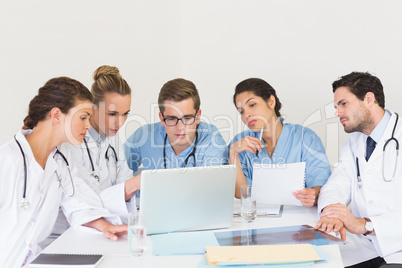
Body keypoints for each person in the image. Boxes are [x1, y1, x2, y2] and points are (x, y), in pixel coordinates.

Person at [0, 77, 127, 267]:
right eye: (83, 117)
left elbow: (78, 202)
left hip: (34, 261)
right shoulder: (8, 160)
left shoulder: (62, 159)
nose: (88, 125)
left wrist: (106, 226)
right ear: (57, 115)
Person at [316, 72, 402, 267]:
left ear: (369, 99)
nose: (337, 112)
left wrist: (364, 225)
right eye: (336, 106)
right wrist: (331, 213)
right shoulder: (352, 145)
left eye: (343, 103)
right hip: (365, 248)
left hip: (398, 250)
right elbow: (334, 186)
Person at [228, 78, 331, 206]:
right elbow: (241, 194)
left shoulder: (305, 138)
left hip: (301, 220)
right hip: (258, 220)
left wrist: (314, 194)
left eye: (252, 105)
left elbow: (321, 185)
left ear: (271, 102)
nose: (246, 115)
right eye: (241, 111)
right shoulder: (239, 144)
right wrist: (233, 154)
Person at [64, 65, 139, 223]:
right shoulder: (72, 140)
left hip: (107, 225)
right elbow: (88, 199)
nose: (120, 122)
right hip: (73, 230)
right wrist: (132, 185)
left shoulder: (113, 137)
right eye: (112, 114)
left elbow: (124, 180)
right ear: (93, 107)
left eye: (125, 114)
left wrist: (129, 187)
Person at [123, 78, 228, 179]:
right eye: (172, 118)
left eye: (187, 118)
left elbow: (209, 190)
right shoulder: (144, 136)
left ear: (198, 116)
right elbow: (116, 173)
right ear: (162, 118)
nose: (180, 127)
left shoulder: (211, 140)